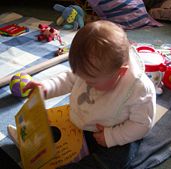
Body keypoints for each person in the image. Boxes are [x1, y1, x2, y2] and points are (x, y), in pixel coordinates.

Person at [8, 20, 156, 169]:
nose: (84, 83)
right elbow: (68, 79)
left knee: (115, 159)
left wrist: (112, 136)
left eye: (91, 82)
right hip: (80, 119)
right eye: (82, 77)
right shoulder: (90, 71)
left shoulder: (139, 90)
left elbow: (142, 125)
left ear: (120, 72)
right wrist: (46, 88)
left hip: (115, 131)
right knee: (53, 124)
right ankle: (30, 145)